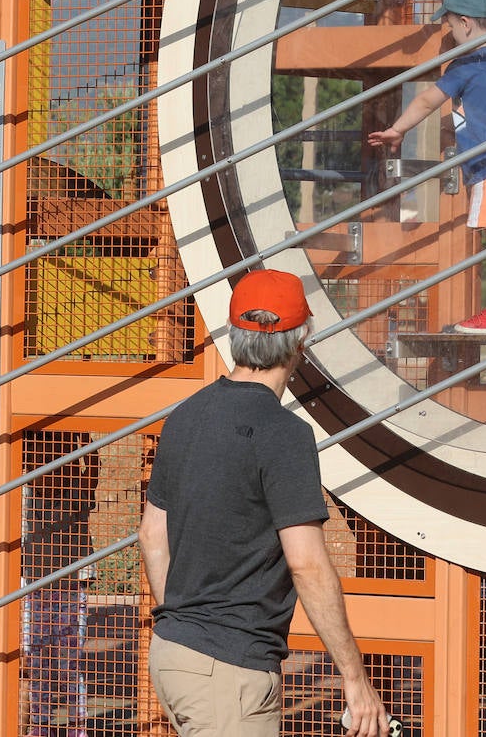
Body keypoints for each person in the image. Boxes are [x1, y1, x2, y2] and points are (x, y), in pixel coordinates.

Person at [138, 269, 390, 737]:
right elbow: (308, 566)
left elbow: (152, 534)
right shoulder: (283, 434)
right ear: (301, 343)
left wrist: (184, 623)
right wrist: (355, 680)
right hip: (229, 667)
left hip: (174, 655)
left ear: (234, 334)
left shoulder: (184, 416)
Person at [367, 0, 486, 335]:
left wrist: (398, 129)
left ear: (465, 23)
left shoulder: (468, 64)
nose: (450, 36)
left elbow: (429, 98)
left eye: (450, 28)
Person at [23, 434, 99, 737]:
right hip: (37, 587)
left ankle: (76, 727)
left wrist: (83, 440)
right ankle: (39, 726)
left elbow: (93, 466)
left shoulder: (77, 492)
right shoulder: (28, 492)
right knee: (38, 661)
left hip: (69, 588)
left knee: (71, 663)